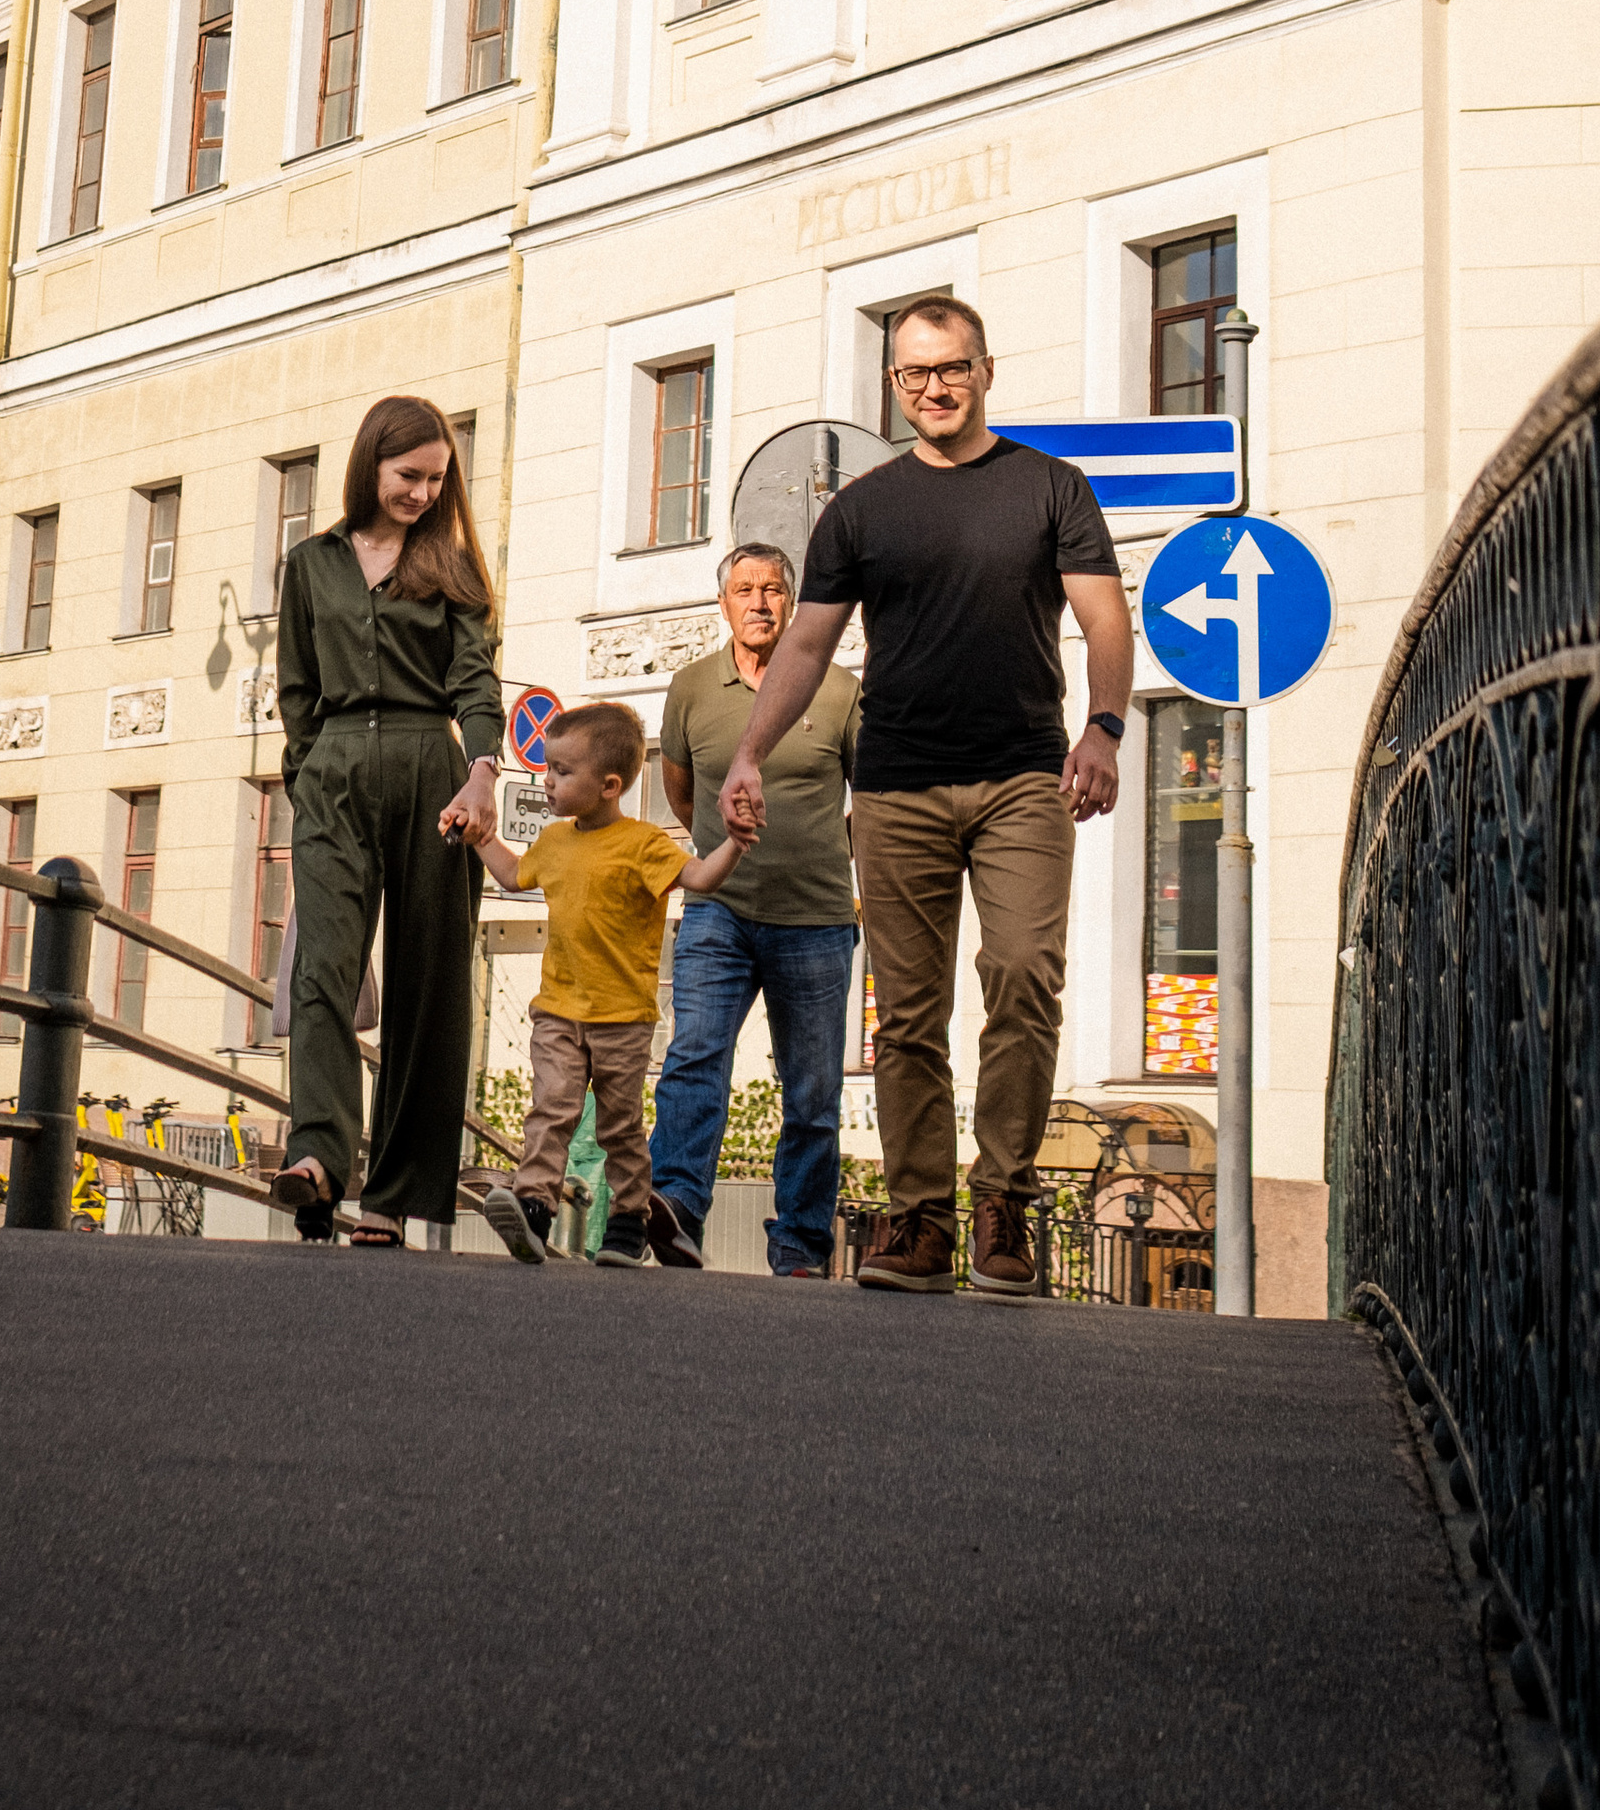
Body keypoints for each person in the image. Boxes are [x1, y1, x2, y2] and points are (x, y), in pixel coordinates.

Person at [720, 300, 1133, 1298]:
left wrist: (1105, 727)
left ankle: (1004, 1205)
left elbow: (1105, 621)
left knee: (1024, 974)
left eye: (951, 368)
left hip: (1024, 777)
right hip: (897, 783)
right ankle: (917, 1220)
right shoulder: (861, 510)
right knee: (907, 1013)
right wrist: (749, 754)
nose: (934, 387)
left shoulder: (1050, 487)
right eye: (915, 374)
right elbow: (808, 644)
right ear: (894, 386)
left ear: (985, 370)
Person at [270, 395, 503, 1250]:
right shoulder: (311, 564)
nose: (422, 493)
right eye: (409, 475)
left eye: (437, 480)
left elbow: (475, 682)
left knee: (426, 989)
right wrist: (309, 776)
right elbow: (297, 687)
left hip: (432, 773)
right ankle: (319, 1158)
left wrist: (482, 773)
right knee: (321, 970)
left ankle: (391, 1199)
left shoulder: (453, 568)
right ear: (371, 463)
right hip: (331, 775)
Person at [645, 542, 860, 1277]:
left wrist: (824, 850)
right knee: (694, 1058)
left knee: (813, 1093)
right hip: (719, 912)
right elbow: (683, 794)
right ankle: (676, 1207)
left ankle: (799, 1244)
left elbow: (870, 796)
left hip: (817, 919)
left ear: (792, 604)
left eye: (773, 589)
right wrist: (723, 850)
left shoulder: (838, 690)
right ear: (723, 603)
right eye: (745, 589)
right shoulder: (690, 688)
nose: (760, 602)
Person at [473, 699, 740, 1267]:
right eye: (548, 768)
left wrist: (735, 843)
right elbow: (512, 874)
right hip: (558, 1010)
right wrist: (479, 836)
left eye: (562, 771)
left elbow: (701, 878)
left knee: (620, 1127)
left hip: (622, 1017)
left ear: (609, 786)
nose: (548, 782)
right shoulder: (553, 842)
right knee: (551, 1109)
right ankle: (533, 1207)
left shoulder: (644, 844)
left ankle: (628, 1218)